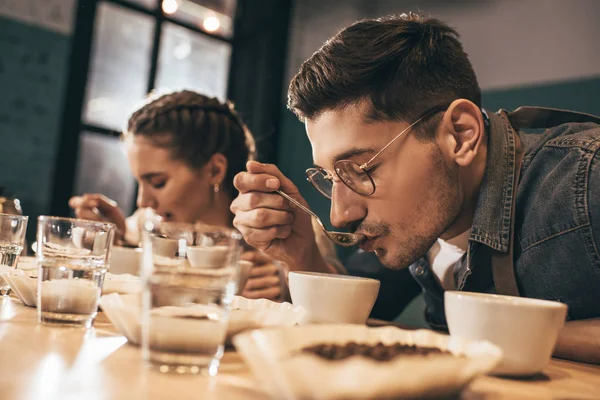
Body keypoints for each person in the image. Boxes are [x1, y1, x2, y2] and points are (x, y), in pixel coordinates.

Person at [230, 13, 600, 363]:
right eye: (330, 177)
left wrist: (493, 332)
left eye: (360, 169)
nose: (340, 215)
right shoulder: (422, 220)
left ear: (460, 135)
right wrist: (301, 253)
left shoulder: (586, 178)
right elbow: (355, 315)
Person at [70, 90, 287, 300]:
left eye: (158, 182)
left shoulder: (277, 233)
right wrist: (106, 239)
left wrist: (286, 286)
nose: (143, 201)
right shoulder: (150, 222)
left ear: (214, 170)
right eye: (140, 182)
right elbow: (120, 245)